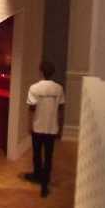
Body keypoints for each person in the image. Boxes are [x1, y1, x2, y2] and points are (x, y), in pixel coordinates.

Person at [25, 60, 65, 198]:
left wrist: (29, 125)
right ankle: (44, 184)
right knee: (48, 156)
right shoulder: (59, 88)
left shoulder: (34, 88)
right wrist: (60, 127)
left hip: (38, 126)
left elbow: (32, 108)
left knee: (37, 154)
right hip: (52, 127)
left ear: (41, 71)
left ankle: (37, 175)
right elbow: (60, 109)